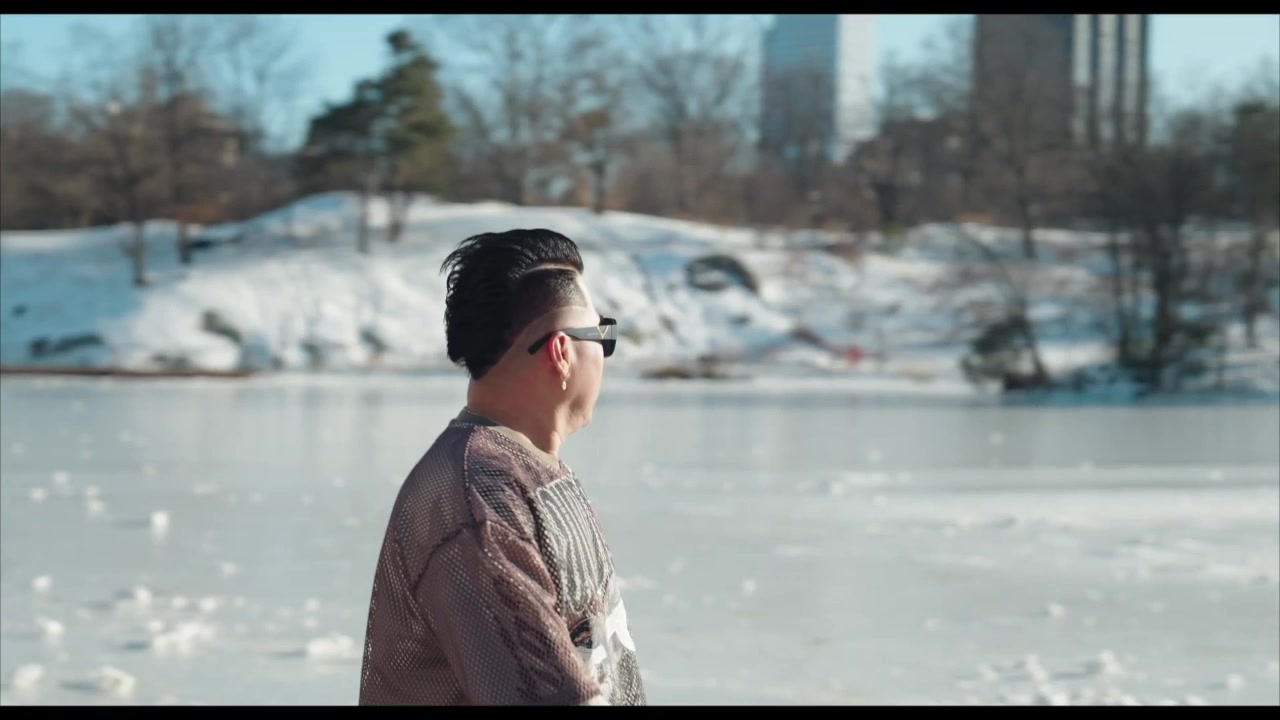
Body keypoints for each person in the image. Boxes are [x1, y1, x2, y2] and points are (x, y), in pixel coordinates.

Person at [358, 229, 645, 706]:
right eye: (601, 335)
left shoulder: (518, 469)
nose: (604, 354)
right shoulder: (479, 495)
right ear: (562, 352)